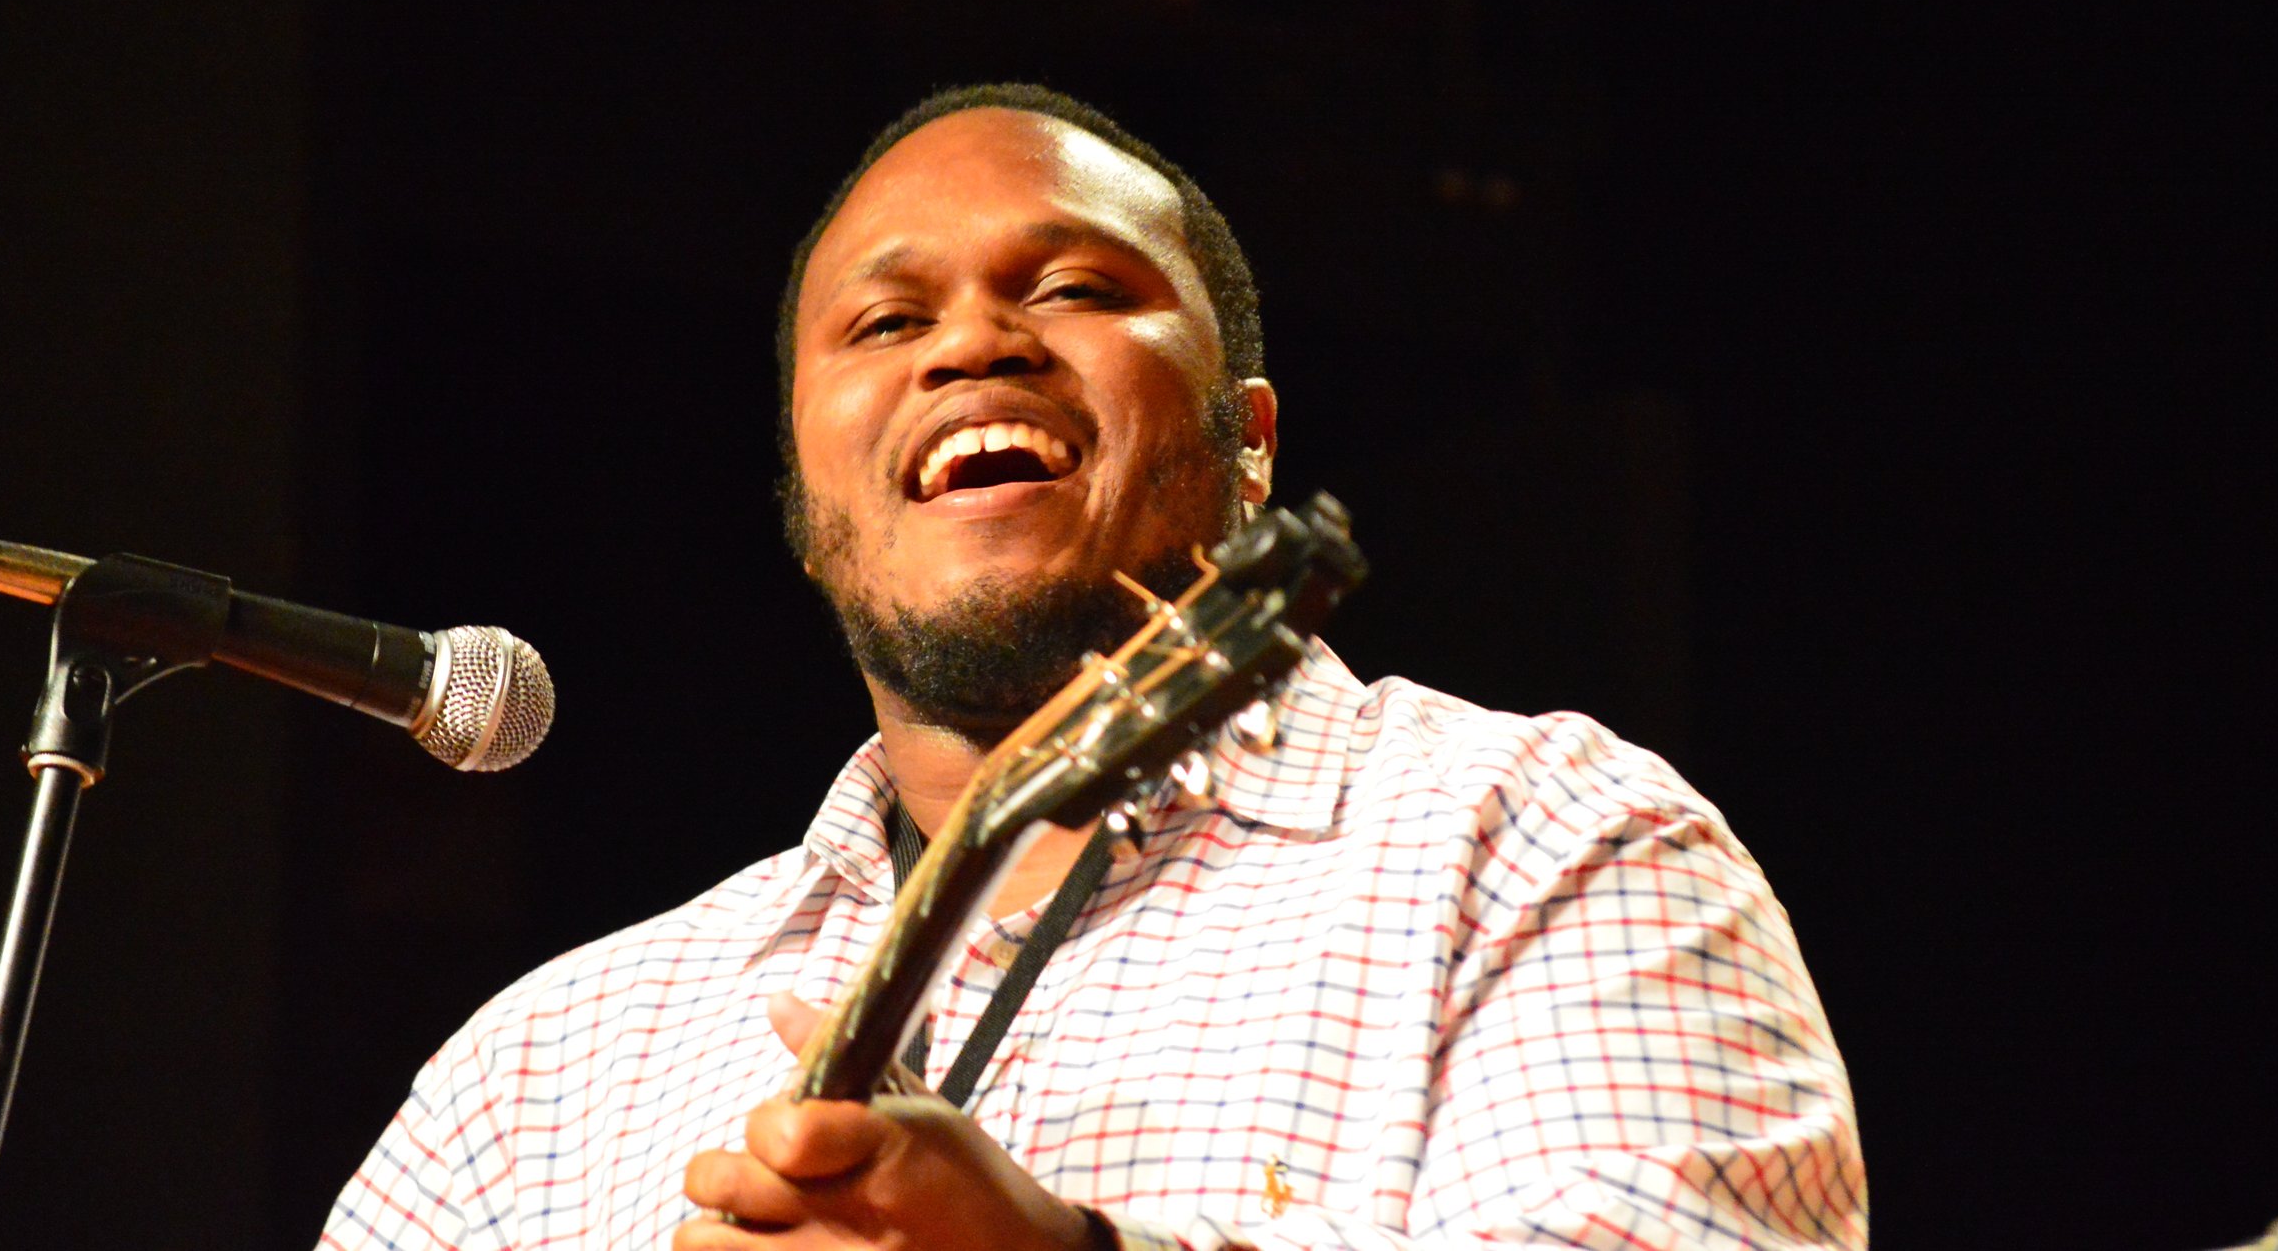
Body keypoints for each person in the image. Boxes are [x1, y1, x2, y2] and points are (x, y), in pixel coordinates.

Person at [321, 85, 1867, 1250]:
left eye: (1073, 288)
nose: (971, 342)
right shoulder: (532, 1082)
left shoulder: (1537, 845)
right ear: (806, 505)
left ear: (1250, 448)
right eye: (885, 317)